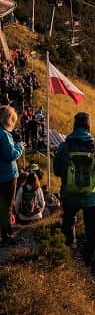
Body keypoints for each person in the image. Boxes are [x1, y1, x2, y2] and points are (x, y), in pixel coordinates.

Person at [53, 112, 95, 267]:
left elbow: (57, 171)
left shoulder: (64, 147)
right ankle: (91, 258)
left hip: (69, 193)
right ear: (89, 127)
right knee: (92, 228)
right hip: (92, 196)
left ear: (74, 127)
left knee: (69, 222)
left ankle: (69, 251)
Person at [0, 105, 25, 245]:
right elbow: (10, 154)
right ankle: (7, 235)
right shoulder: (4, 134)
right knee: (7, 206)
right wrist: (20, 147)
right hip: (7, 175)